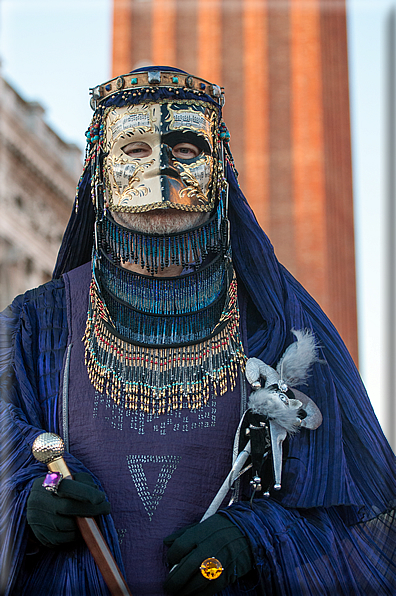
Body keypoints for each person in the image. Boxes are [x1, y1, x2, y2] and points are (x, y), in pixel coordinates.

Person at [0, 66, 395, 596]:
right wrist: (28, 500)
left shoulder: (274, 322)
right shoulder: (34, 325)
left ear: (219, 167)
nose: (160, 168)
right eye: (135, 149)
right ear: (99, 169)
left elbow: (355, 508)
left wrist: (256, 536)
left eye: (185, 148)